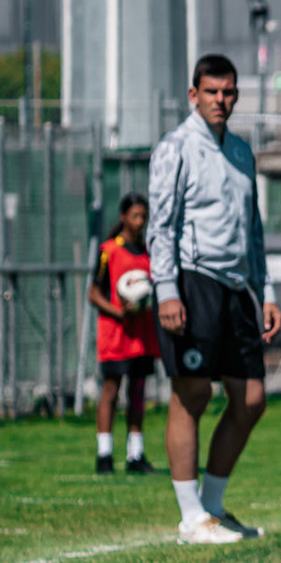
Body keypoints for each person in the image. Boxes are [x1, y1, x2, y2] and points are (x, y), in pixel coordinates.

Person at [148, 53, 281, 544]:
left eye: (228, 92)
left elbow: (254, 231)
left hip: (237, 287)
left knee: (251, 399)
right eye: (211, 92)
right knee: (193, 392)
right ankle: (189, 517)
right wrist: (166, 291)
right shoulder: (175, 148)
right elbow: (161, 226)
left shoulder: (242, 151)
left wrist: (264, 291)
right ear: (193, 94)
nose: (221, 100)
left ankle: (213, 507)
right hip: (191, 281)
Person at [88, 192, 160, 475]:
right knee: (111, 390)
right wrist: (120, 312)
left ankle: (135, 455)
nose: (140, 221)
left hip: (141, 334)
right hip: (116, 333)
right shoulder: (109, 251)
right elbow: (93, 294)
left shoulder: (147, 254)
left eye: (143, 216)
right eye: (135, 216)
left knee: (138, 391)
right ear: (123, 217)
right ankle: (104, 455)